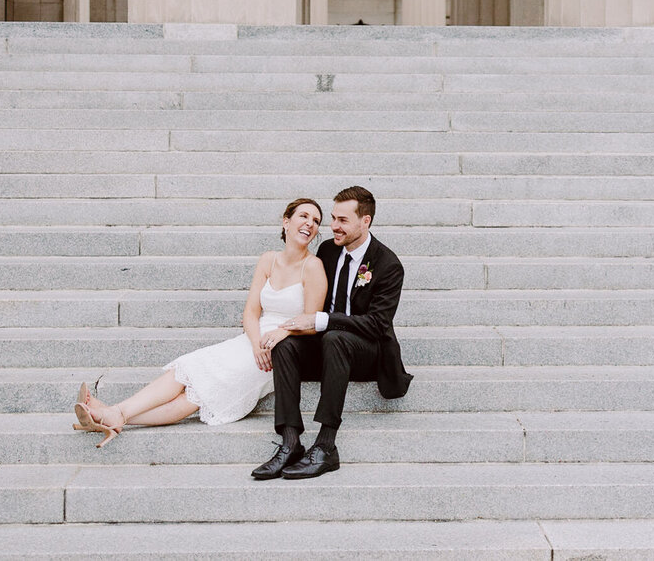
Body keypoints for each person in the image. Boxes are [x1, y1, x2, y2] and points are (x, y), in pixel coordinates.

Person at [72, 198, 329, 446]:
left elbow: (309, 322)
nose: (309, 224)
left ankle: (112, 414)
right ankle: (114, 415)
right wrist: (254, 344)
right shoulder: (268, 259)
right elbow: (250, 312)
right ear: (286, 222)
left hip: (282, 349)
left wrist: (280, 336)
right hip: (252, 341)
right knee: (187, 369)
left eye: (316, 221)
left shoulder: (314, 266)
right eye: (303, 216)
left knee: (197, 395)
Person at [252, 185, 412, 481]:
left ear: (365, 222)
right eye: (334, 218)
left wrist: (323, 320)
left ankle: (326, 446)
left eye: (342, 220)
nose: (333, 227)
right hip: (325, 344)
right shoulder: (328, 249)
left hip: (365, 350)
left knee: (335, 337)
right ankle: (289, 443)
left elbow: (378, 324)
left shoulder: (388, 265)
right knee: (285, 346)